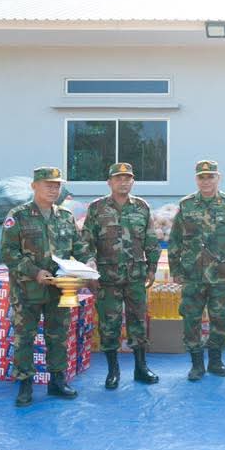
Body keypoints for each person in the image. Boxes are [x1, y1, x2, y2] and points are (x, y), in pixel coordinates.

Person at [0, 166, 95, 408]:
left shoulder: (65, 216)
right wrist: (34, 272)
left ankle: (57, 381)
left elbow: (79, 247)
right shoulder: (18, 216)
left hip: (59, 288)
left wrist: (88, 261)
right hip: (27, 289)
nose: (53, 189)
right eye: (48, 185)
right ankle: (25, 384)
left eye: (57, 186)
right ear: (34, 186)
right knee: (25, 337)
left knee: (58, 335)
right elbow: (9, 252)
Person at [82, 162, 160, 389]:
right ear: (109, 182)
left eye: (128, 178)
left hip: (136, 276)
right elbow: (86, 242)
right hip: (106, 278)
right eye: (118, 178)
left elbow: (151, 239)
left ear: (132, 181)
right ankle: (113, 371)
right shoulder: (97, 208)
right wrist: (89, 269)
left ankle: (141, 368)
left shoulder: (142, 207)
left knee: (138, 322)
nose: (123, 182)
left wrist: (152, 267)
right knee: (109, 324)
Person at [168, 160, 225, 381]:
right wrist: (175, 268)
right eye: (202, 177)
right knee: (191, 319)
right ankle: (197, 364)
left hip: (221, 273)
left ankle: (216, 362)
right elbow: (175, 240)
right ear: (196, 179)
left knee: (220, 317)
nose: (206, 181)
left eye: (210, 176)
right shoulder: (186, 205)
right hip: (193, 274)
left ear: (218, 178)